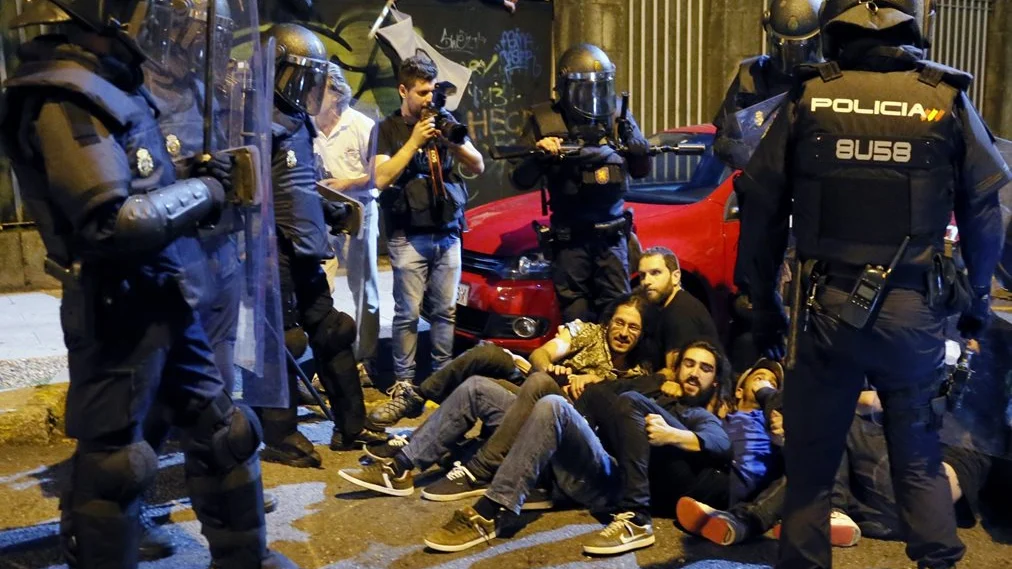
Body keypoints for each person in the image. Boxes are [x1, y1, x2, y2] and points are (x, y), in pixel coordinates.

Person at [0, 1, 295, 567]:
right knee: (118, 464)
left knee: (225, 433)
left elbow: (143, 178)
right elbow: (112, 221)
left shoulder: (108, 82)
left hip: (164, 289)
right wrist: (208, 191)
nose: (168, 22)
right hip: (117, 305)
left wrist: (194, 177)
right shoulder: (65, 92)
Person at [735, 0, 1009, 567]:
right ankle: (939, 560)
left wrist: (762, 301)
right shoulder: (945, 96)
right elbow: (985, 208)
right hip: (914, 309)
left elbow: (759, 202)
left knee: (811, 469)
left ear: (834, 22)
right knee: (918, 458)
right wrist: (977, 303)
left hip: (824, 307)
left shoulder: (810, 97)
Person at [339, 293, 658, 500]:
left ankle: (451, 455)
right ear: (608, 323)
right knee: (477, 384)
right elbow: (544, 354)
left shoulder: (637, 378)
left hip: (560, 439)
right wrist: (551, 370)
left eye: (633, 328)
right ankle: (401, 468)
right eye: (619, 322)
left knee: (496, 369)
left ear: (641, 335)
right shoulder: (589, 334)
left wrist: (594, 381)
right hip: (532, 400)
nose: (624, 332)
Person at [258, 23, 385, 465]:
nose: (304, 88)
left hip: (305, 252)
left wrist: (331, 212)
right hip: (273, 260)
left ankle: (351, 426)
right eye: (296, 77)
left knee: (334, 331)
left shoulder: (294, 121)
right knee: (281, 344)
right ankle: (279, 434)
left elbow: (298, 189)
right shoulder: (250, 122)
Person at [511, 43, 650, 323]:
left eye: (598, 89)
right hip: (571, 240)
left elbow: (641, 169)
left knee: (618, 315)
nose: (592, 98)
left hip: (612, 239)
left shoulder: (618, 115)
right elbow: (519, 178)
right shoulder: (545, 119)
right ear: (565, 89)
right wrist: (541, 155)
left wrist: (636, 146)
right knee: (575, 319)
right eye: (584, 90)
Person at [374, 54, 484, 389]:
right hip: (408, 236)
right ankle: (404, 381)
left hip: (448, 232)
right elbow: (380, 177)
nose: (428, 99)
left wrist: (452, 141)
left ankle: (441, 377)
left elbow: (477, 164)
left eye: (432, 91)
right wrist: (414, 142)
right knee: (407, 314)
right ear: (403, 90)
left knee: (446, 312)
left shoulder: (445, 120)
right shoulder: (388, 129)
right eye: (421, 92)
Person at [577, 340, 733, 555]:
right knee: (595, 395)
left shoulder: (698, 414)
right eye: (689, 364)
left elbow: (722, 444)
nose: (694, 373)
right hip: (644, 479)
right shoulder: (658, 392)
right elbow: (604, 393)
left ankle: (637, 518)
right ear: (676, 370)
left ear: (714, 382)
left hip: (685, 481)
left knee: (631, 401)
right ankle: (560, 484)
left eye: (705, 369)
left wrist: (671, 435)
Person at [314, 62, 381, 386]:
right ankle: (323, 359)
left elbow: (376, 178)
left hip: (359, 209)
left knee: (363, 287)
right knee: (319, 285)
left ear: (337, 94)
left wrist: (343, 184)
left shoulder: (362, 126)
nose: (313, 94)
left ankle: (363, 358)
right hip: (321, 214)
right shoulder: (308, 124)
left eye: (320, 89)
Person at [713, 0, 823, 171]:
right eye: (785, 46)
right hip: (760, 180)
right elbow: (724, 139)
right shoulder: (751, 75)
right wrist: (752, 156)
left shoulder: (830, 80)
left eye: (800, 47)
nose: (793, 57)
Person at [638, 246, 721, 369]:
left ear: (675, 276)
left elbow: (675, 375)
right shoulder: (667, 306)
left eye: (655, 273)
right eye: (642, 275)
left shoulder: (681, 314)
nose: (646, 281)